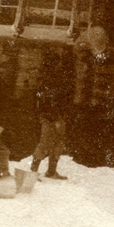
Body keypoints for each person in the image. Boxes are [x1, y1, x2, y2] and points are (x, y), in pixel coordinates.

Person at [31, 46, 75, 179]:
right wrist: (57, 118)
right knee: (49, 142)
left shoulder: (46, 78)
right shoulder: (54, 78)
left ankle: (47, 171)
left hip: (51, 114)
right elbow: (52, 99)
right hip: (53, 115)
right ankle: (36, 172)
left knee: (54, 142)